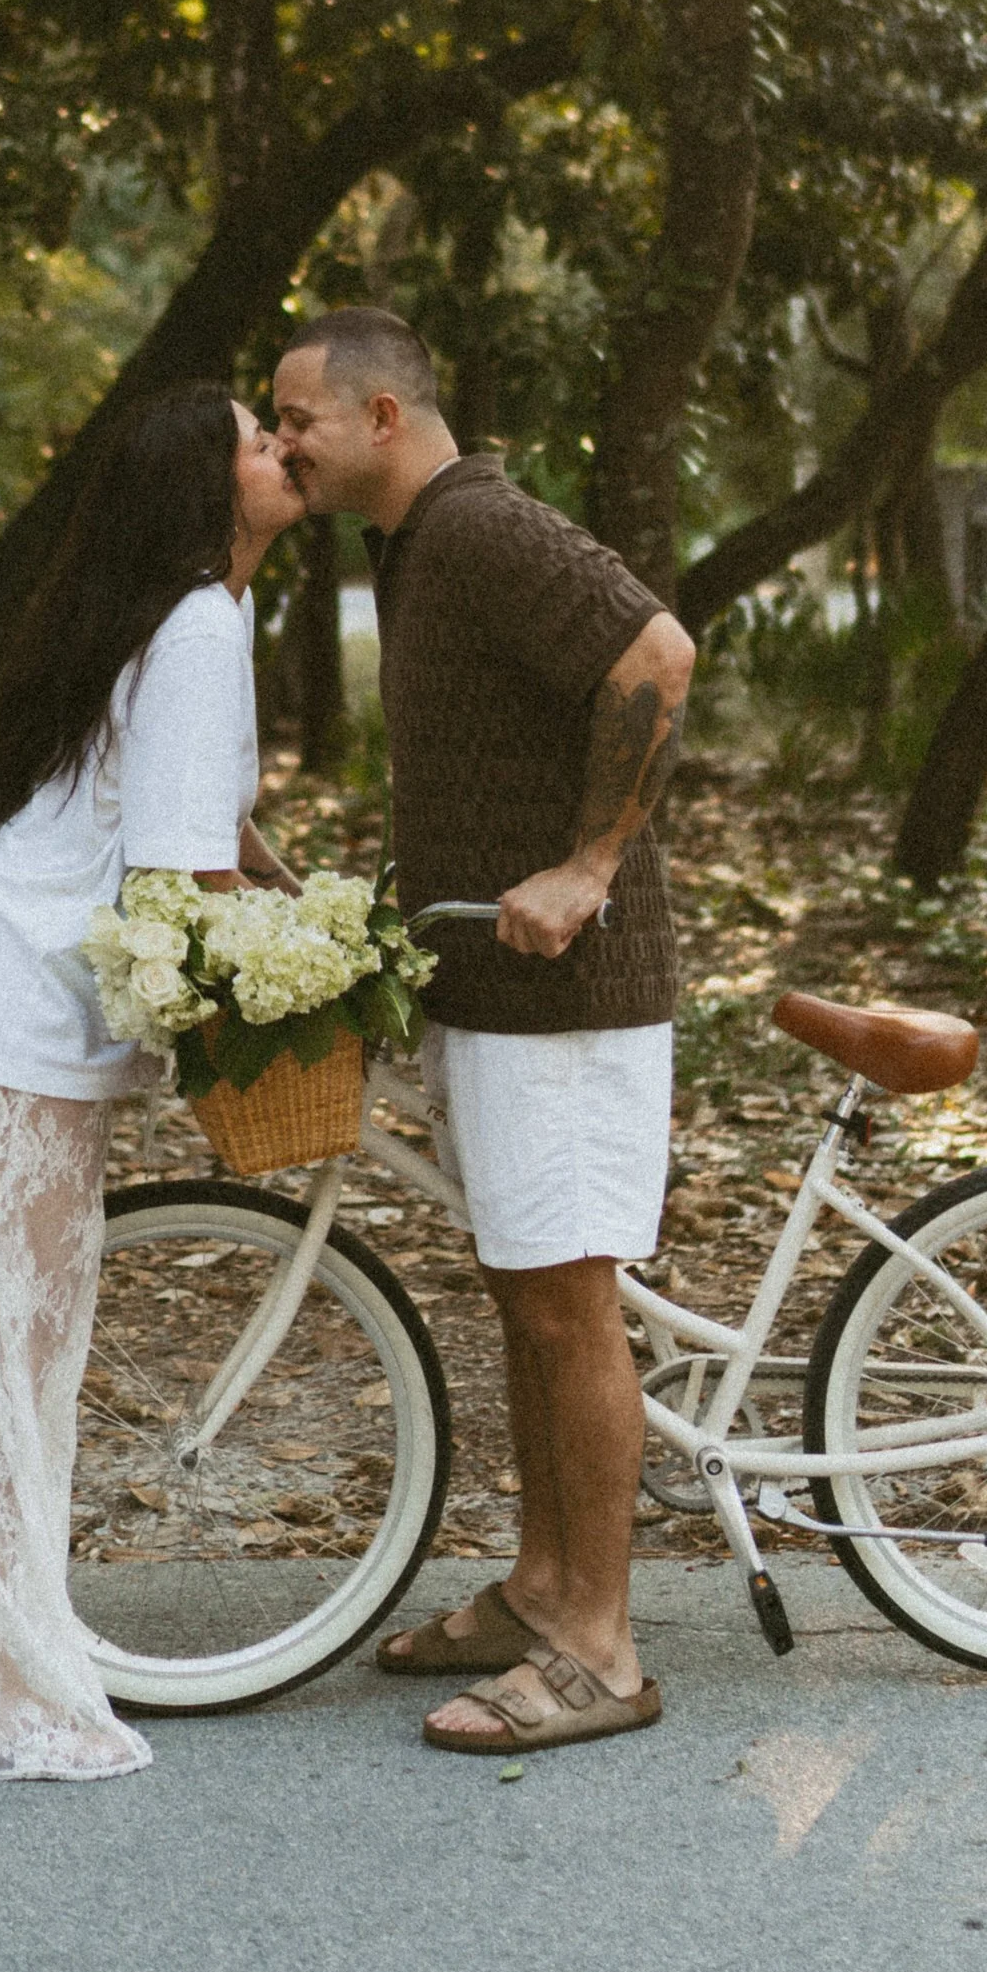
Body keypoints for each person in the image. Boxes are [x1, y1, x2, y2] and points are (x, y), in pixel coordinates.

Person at [271, 305, 695, 1756]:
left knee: (569, 1305)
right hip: (497, 998)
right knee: (529, 1298)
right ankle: (540, 1588)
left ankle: (601, 1647)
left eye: (299, 422)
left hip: (571, 1001)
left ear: (383, 416)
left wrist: (588, 867)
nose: (282, 448)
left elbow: (657, 649)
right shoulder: (420, 545)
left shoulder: (483, 526)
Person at [0, 384, 306, 1781]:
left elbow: (217, 835)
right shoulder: (195, 624)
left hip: (3, 995)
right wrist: (272, 1002)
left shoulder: (187, 617)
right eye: (258, 438)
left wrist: (326, 917)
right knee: (5, 1348)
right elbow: (179, 879)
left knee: (8, 1339)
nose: (282, 449)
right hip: (12, 1004)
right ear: (205, 488)